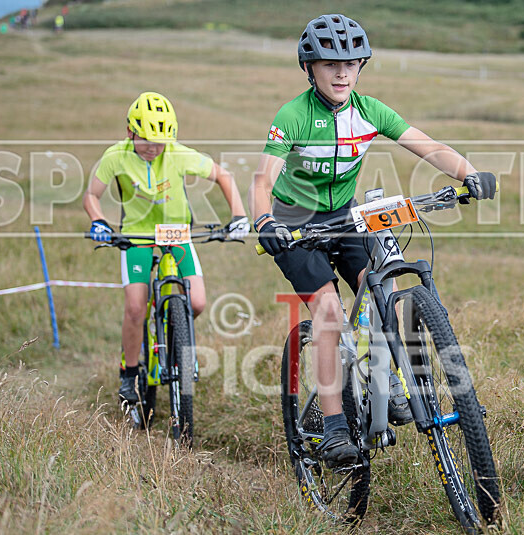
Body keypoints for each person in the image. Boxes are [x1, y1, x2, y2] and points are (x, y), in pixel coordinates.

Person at [250, 14, 496, 467]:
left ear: (361, 65)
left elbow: (426, 145)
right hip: (294, 222)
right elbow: (263, 178)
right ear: (310, 68)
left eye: (351, 63)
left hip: (344, 217)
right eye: (329, 63)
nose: (341, 72)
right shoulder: (293, 115)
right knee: (328, 311)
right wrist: (265, 220)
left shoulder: (370, 111)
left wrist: (468, 173)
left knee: (385, 285)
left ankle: (393, 385)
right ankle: (336, 427)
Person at [84, 91, 250, 403]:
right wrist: (99, 221)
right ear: (130, 131)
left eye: (159, 142)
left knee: (197, 302)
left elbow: (223, 176)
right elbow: (91, 196)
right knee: (135, 307)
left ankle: (176, 342)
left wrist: (239, 215)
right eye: (145, 139)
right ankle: (129, 371)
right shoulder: (115, 156)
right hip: (136, 235)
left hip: (177, 233)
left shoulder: (177, 153)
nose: (152, 148)